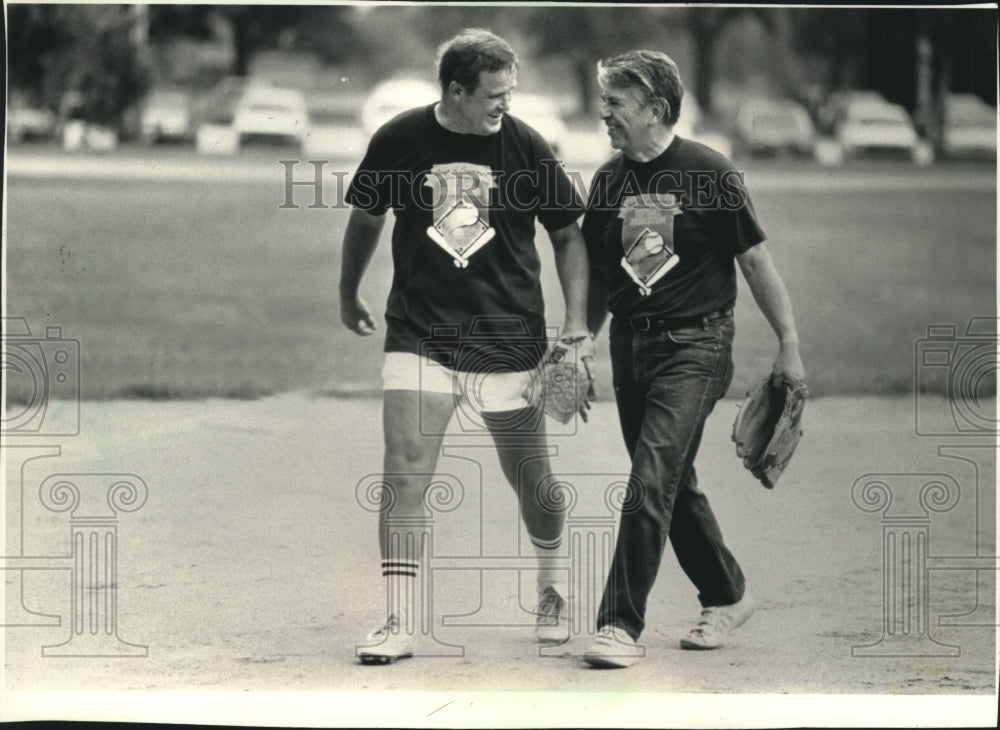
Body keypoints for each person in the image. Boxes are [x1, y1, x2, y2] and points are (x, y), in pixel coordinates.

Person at [340, 28, 593, 664]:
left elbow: (568, 234)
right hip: (420, 333)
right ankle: (398, 621)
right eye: (493, 94)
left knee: (533, 483)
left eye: (510, 92)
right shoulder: (400, 139)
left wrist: (576, 326)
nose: (505, 104)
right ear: (455, 90)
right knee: (403, 472)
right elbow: (366, 218)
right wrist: (348, 294)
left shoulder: (528, 146)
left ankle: (553, 584)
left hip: (508, 340)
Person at [579, 50, 806, 668]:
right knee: (669, 484)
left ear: (655, 109)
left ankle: (619, 625)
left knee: (650, 477)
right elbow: (603, 275)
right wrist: (581, 341)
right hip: (631, 346)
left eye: (615, 103)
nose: (604, 114)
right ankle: (727, 596)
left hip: (697, 345)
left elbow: (756, 263)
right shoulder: (608, 181)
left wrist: (789, 346)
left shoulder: (711, 172)